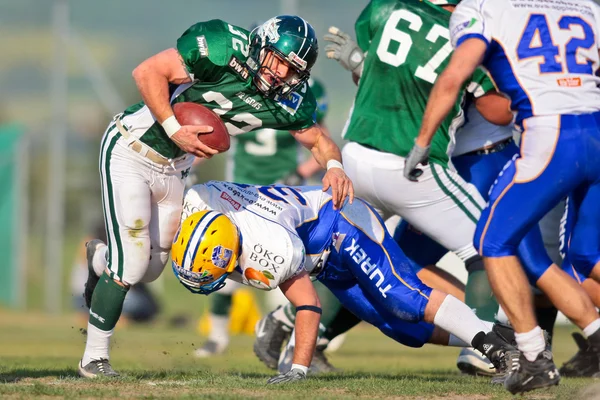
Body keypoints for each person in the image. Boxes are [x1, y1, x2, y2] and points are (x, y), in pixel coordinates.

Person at [78, 15, 354, 379]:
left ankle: (100, 259)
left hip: (175, 168)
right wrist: (175, 129)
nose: (280, 74)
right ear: (261, 46)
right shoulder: (222, 47)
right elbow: (146, 72)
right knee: (130, 264)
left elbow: (317, 139)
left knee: (151, 268)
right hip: (132, 149)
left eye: (291, 70)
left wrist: (333, 165)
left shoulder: (287, 98)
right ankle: (94, 360)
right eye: (278, 60)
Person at [406, 0, 600, 393]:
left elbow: (453, 78)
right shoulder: (585, 7)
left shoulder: (484, 9)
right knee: (584, 256)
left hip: (552, 135)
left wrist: (422, 141)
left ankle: (532, 357)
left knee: (492, 242)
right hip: (595, 127)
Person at [172, 181, 515, 384]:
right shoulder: (201, 202)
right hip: (324, 262)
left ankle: (498, 350)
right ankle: (502, 331)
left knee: (404, 299)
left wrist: (298, 370)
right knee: (403, 330)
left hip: (342, 226)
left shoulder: (268, 248)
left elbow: (308, 306)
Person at [324, 0, 513, 337]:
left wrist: (360, 63)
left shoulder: (385, 8)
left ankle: (300, 333)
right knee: (488, 242)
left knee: (340, 248)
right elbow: (494, 110)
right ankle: (489, 343)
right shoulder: (468, 33)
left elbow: (385, 75)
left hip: (356, 155)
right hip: (411, 164)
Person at [195, 78, 342, 366]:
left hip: (284, 195)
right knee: (220, 257)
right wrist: (185, 162)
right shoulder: (240, 86)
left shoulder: (306, 91)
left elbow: (320, 139)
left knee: (295, 266)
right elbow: (209, 132)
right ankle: (218, 335)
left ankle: (302, 339)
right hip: (239, 191)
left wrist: (300, 173)